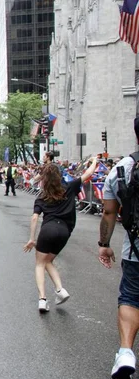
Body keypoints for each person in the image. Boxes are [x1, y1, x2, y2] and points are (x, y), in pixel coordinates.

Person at [23, 158, 98, 313]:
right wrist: (94, 160)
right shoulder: (69, 187)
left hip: (48, 229)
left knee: (40, 263)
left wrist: (31, 238)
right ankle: (60, 290)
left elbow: (35, 217)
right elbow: (89, 173)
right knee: (49, 260)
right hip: (65, 231)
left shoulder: (42, 197)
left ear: (44, 179)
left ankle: (42, 299)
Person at [98, 119, 139, 378]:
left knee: (131, 299)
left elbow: (109, 213)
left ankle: (125, 352)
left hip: (134, 250)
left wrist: (104, 245)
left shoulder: (120, 170)